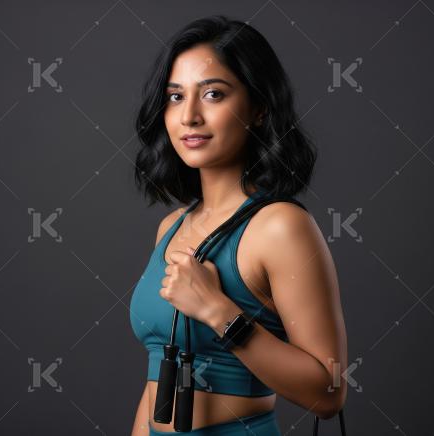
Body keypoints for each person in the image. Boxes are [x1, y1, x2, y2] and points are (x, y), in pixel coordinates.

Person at [129, 15, 347, 436]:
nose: (189, 116)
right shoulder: (171, 228)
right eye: (175, 97)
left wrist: (218, 311)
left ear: (259, 108)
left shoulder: (281, 226)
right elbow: (158, 381)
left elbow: (329, 393)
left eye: (213, 94)